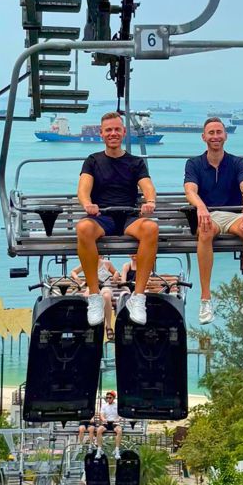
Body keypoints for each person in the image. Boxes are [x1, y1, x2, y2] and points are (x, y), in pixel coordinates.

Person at [76, 112, 158, 326]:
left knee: (151, 229)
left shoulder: (135, 162)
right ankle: (94, 296)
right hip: (102, 217)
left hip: (128, 216)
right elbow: (83, 189)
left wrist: (149, 201)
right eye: (108, 130)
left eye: (116, 129)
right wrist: (87, 204)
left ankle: (138, 297)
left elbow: (147, 187)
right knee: (83, 228)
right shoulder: (93, 161)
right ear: (101, 134)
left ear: (123, 132)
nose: (113, 133)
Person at [184, 117, 243, 325]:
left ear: (225, 136)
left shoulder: (237, 163)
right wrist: (201, 207)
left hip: (234, 215)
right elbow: (190, 190)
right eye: (211, 133)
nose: (215, 137)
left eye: (219, 132)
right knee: (204, 231)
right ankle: (205, 299)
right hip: (209, 216)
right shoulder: (194, 164)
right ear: (204, 137)